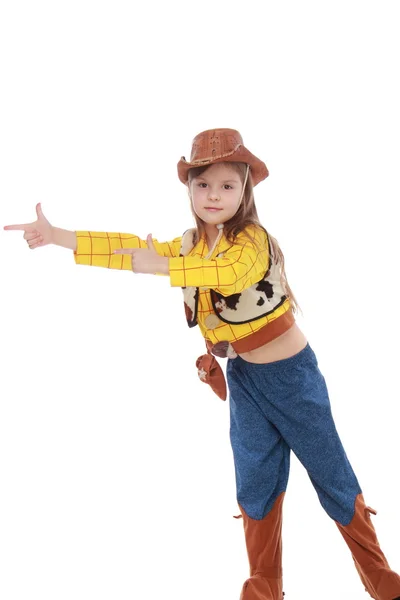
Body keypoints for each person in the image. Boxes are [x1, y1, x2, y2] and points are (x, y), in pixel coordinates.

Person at [4, 128, 400, 600]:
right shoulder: (190, 243)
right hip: (245, 379)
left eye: (226, 185)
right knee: (254, 475)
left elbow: (225, 273)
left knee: (329, 469)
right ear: (189, 189)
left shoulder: (252, 242)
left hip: (292, 377)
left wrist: (157, 266)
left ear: (245, 191)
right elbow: (126, 246)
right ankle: (265, 583)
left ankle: (378, 576)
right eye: (203, 184)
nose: (213, 195)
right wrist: (57, 236)